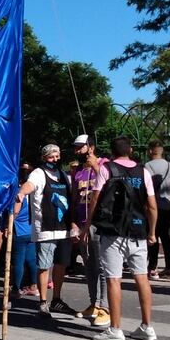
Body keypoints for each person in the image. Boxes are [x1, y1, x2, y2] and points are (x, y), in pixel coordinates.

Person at [89, 136, 158, 340]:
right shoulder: (144, 171)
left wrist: (87, 225)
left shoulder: (106, 169)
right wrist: (152, 232)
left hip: (112, 231)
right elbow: (152, 206)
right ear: (131, 150)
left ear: (112, 151)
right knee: (142, 278)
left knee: (113, 279)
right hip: (137, 231)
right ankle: (147, 326)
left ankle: (115, 329)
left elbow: (95, 199)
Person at [14, 144, 81, 317]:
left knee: (60, 266)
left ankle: (56, 299)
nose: (56, 159)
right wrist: (21, 193)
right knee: (44, 266)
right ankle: (43, 302)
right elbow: (29, 185)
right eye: (52, 157)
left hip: (64, 230)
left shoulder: (63, 175)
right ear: (44, 158)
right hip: (46, 230)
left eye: (57, 156)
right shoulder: (38, 173)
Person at [72, 134, 110, 326]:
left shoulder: (105, 164)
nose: (77, 151)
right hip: (82, 224)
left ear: (91, 147)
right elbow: (74, 197)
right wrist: (73, 222)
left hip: (100, 224)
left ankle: (104, 307)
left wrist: (96, 166)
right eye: (75, 148)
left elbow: (110, 186)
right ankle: (93, 303)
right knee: (89, 267)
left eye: (80, 147)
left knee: (103, 267)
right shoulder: (77, 170)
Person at [145, 141, 170, 280]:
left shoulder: (147, 166)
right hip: (167, 206)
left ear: (150, 151)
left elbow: (146, 186)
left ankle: (153, 267)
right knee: (166, 237)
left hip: (152, 206)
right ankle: (168, 267)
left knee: (152, 236)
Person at [8, 162, 39, 300]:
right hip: (31, 230)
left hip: (19, 231)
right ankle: (34, 286)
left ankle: (16, 288)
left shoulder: (19, 194)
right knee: (31, 259)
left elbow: (15, 211)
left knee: (18, 261)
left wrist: (8, 224)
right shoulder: (34, 194)